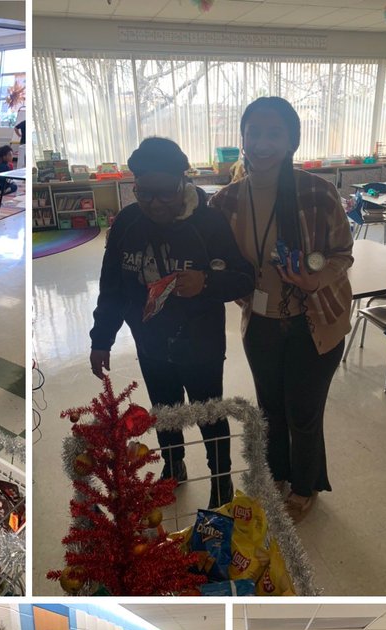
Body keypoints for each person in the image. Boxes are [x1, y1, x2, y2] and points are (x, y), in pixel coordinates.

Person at [209, 97, 354, 524]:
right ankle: (276, 475)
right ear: (243, 137)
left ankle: (306, 485)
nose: (262, 143)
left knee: (303, 411)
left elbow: (342, 253)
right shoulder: (227, 201)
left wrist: (316, 277)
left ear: (292, 140)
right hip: (262, 322)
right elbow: (218, 260)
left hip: (318, 320)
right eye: (254, 132)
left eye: (274, 133)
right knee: (270, 408)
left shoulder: (318, 193)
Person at [90, 136, 255, 509]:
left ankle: (220, 480)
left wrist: (207, 282)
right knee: (164, 412)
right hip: (150, 343)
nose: (154, 204)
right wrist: (101, 339)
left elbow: (246, 277)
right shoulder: (128, 223)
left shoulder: (209, 222)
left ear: (183, 182)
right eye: (144, 193)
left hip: (201, 346)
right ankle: (174, 466)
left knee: (209, 415)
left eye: (164, 193)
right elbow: (112, 286)